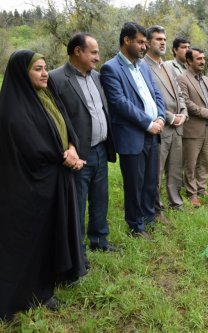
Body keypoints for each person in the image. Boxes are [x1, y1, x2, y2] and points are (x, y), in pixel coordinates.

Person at [0, 50, 86, 320]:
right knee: (34, 239)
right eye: (37, 69)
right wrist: (65, 158)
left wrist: (71, 145)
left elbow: (65, 124)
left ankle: (57, 275)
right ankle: (31, 292)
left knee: (57, 229)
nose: (45, 73)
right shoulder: (13, 109)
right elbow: (33, 147)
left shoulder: (46, 96)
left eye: (46, 67)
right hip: (30, 188)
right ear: (22, 74)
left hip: (56, 177)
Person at [50, 33, 118, 257]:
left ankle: (99, 239)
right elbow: (55, 120)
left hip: (100, 149)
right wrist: (68, 149)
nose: (98, 57)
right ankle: (77, 252)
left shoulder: (96, 77)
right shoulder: (56, 79)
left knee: (100, 198)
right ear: (77, 51)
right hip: (78, 154)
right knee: (77, 204)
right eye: (94, 52)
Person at [100, 22, 166, 238]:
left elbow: (156, 94)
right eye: (139, 42)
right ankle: (135, 226)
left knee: (150, 181)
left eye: (145, 43)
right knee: (134, 184)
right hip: (133, 135)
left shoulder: (143, 66)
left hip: (153, 133)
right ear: (126, 40)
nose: (144, 47)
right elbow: (120, 103)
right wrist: (149, 122)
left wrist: (161, 116)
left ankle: (149, 218)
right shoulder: (111, 68)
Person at [144, 26, 188, 214]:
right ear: (147, 42)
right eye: (158, 39)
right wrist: (170, 117)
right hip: (162, 126)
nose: (162, 42)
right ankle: (157, 208)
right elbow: (149, 98)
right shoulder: (143, 66)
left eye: (164, 39)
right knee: (157, 171)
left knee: (175, 168)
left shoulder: (168, 66)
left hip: (178, 126)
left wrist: (184, 112)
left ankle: (175, 202)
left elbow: (179, 93)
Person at [177, 47, 208, 207]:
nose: (203, 61)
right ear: (189, 61)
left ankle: (202, 189)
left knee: (204, 161)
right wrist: (205, 112)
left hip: (207, 128)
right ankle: (192, 193)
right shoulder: (182, 78)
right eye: (198, 59)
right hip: (192, 129)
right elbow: (185, 102)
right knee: (191, 163)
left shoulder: (206, 78)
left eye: (203, 58)